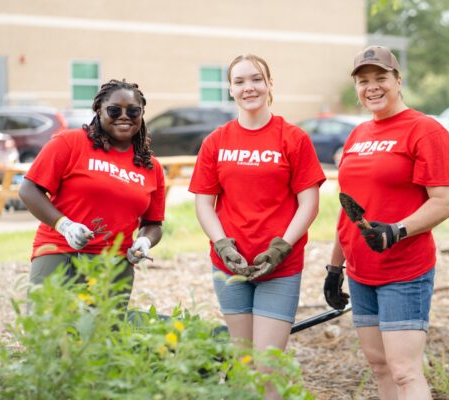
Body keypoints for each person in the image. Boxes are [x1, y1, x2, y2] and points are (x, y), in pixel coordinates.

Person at [323, 46, 449, 400]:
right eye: (363, 80)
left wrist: (397, 231)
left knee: (404, 372)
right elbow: (348, 208)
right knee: (380, 366)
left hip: (404, 271)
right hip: (362, 272)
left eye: (381, 78)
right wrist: (335, 268)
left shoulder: (425, 130)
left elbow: (444, 202)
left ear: (398, 80)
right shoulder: (357, 135)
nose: (372, 87)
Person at [188, 54, 325, 375]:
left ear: (269, 85)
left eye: (256, 79)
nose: (248, 87)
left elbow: (310, 203)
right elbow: (204, 203)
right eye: (239, 81)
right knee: (244, 365)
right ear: (230, 90)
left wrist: (281, 247)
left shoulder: (293, 138)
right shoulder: (216, 141)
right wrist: (222, 244)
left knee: (267, 369)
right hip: (230, 266)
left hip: (279, 267)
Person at [19, 79, 165, 308]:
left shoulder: (151, 166)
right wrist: (64, 226)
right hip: (61, 253)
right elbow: (29, 189)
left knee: (103, 338)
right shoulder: (70, 142)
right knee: (50, 334)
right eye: (114, 110)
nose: (124, 116)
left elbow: (153, 223)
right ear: (99, 110)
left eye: (134, 111)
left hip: (115, 265)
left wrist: (145, 241)